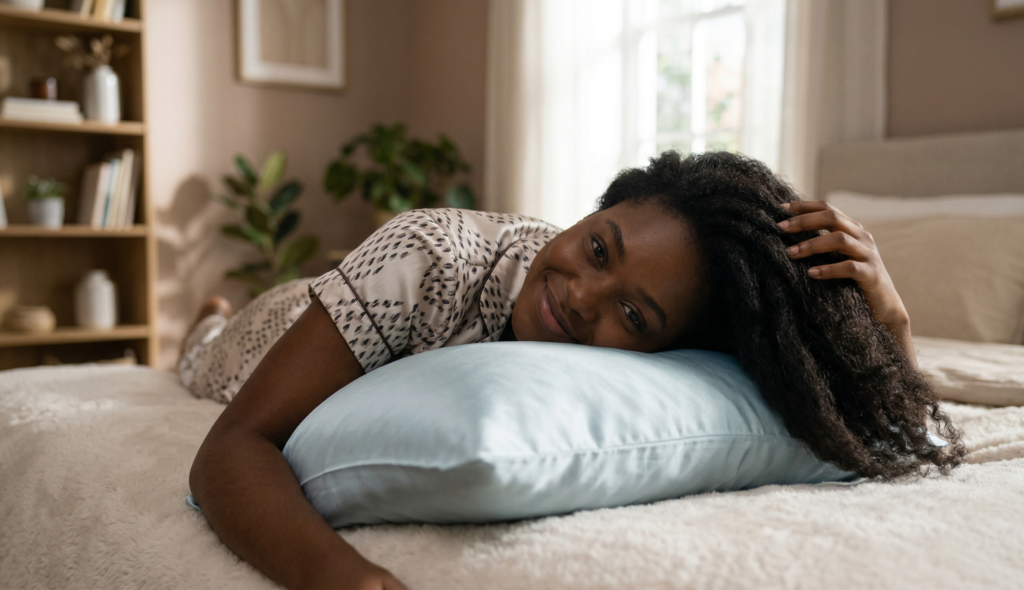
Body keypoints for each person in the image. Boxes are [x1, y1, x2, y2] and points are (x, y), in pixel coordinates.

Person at [186, 151, 964, 589]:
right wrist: (344, 579)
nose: (580, 295)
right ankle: (210, 316)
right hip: (281, 324)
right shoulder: (430, 254)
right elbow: (230, 447)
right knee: (206, 354)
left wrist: (891, 320)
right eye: (598, 247)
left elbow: (888, 426)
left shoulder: (687, 350)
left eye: (634, 317)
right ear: (595, 210)